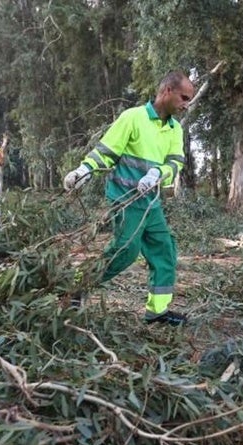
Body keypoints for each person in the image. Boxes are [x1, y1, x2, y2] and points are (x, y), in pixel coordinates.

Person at [63, 71, 195, 326]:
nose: (186, 104)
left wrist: (159, 173)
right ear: (167, 91)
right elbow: (107, 151)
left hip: (151, 203)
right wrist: (85, 170)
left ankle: (157, 311)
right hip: (125, 199)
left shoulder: (174, 129)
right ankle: (77, 287)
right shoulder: (133, 118)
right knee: (125, 251)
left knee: (164, 250)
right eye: (184, 98)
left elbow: (175, 161)